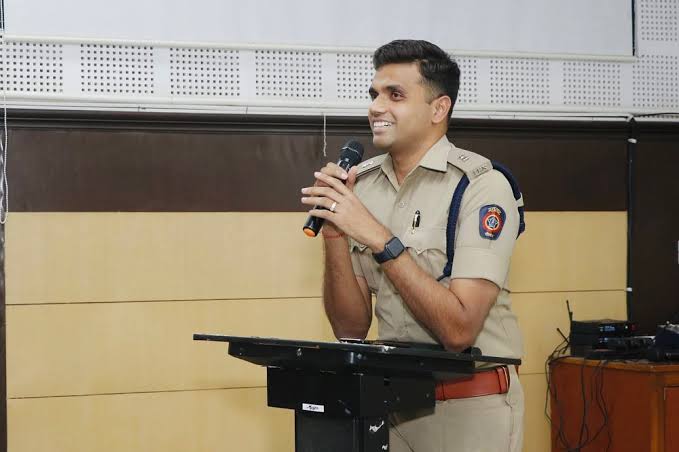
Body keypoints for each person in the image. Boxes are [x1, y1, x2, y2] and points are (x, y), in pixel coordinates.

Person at [301, 39, 524, 452]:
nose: (376, 107)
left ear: (438, 109)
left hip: (467, 408)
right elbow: (350, 329)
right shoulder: (363, 185)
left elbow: (459, 331)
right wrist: (335, 234)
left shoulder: (480, 185)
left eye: (395, 95)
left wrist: (378, 237)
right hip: (388, 407)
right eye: (374, 94)